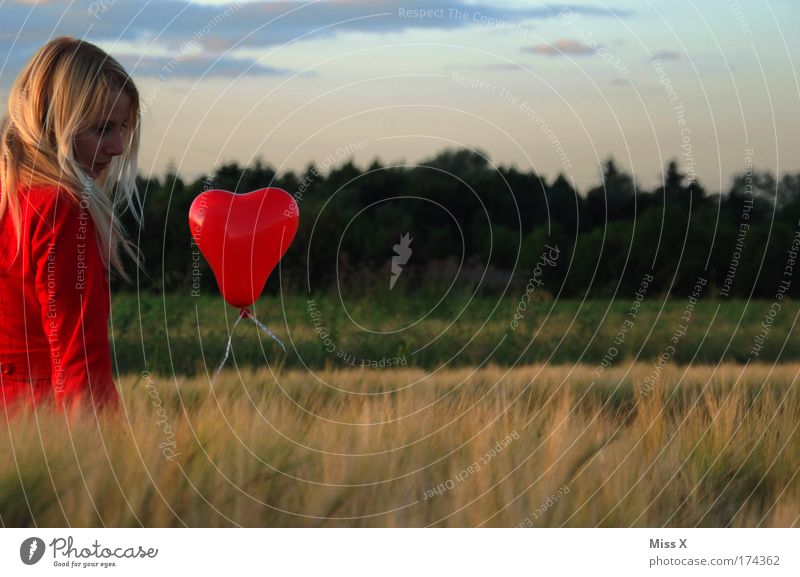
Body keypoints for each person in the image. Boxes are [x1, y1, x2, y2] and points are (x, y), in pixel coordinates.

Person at [0, 37, 141, 412]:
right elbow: (79, 366)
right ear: (52, 125)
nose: (118, 147)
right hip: (38, 428)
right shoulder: (60, 209)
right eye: (101, 129)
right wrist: (106, 463)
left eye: (122, 128)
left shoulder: (11, 199)